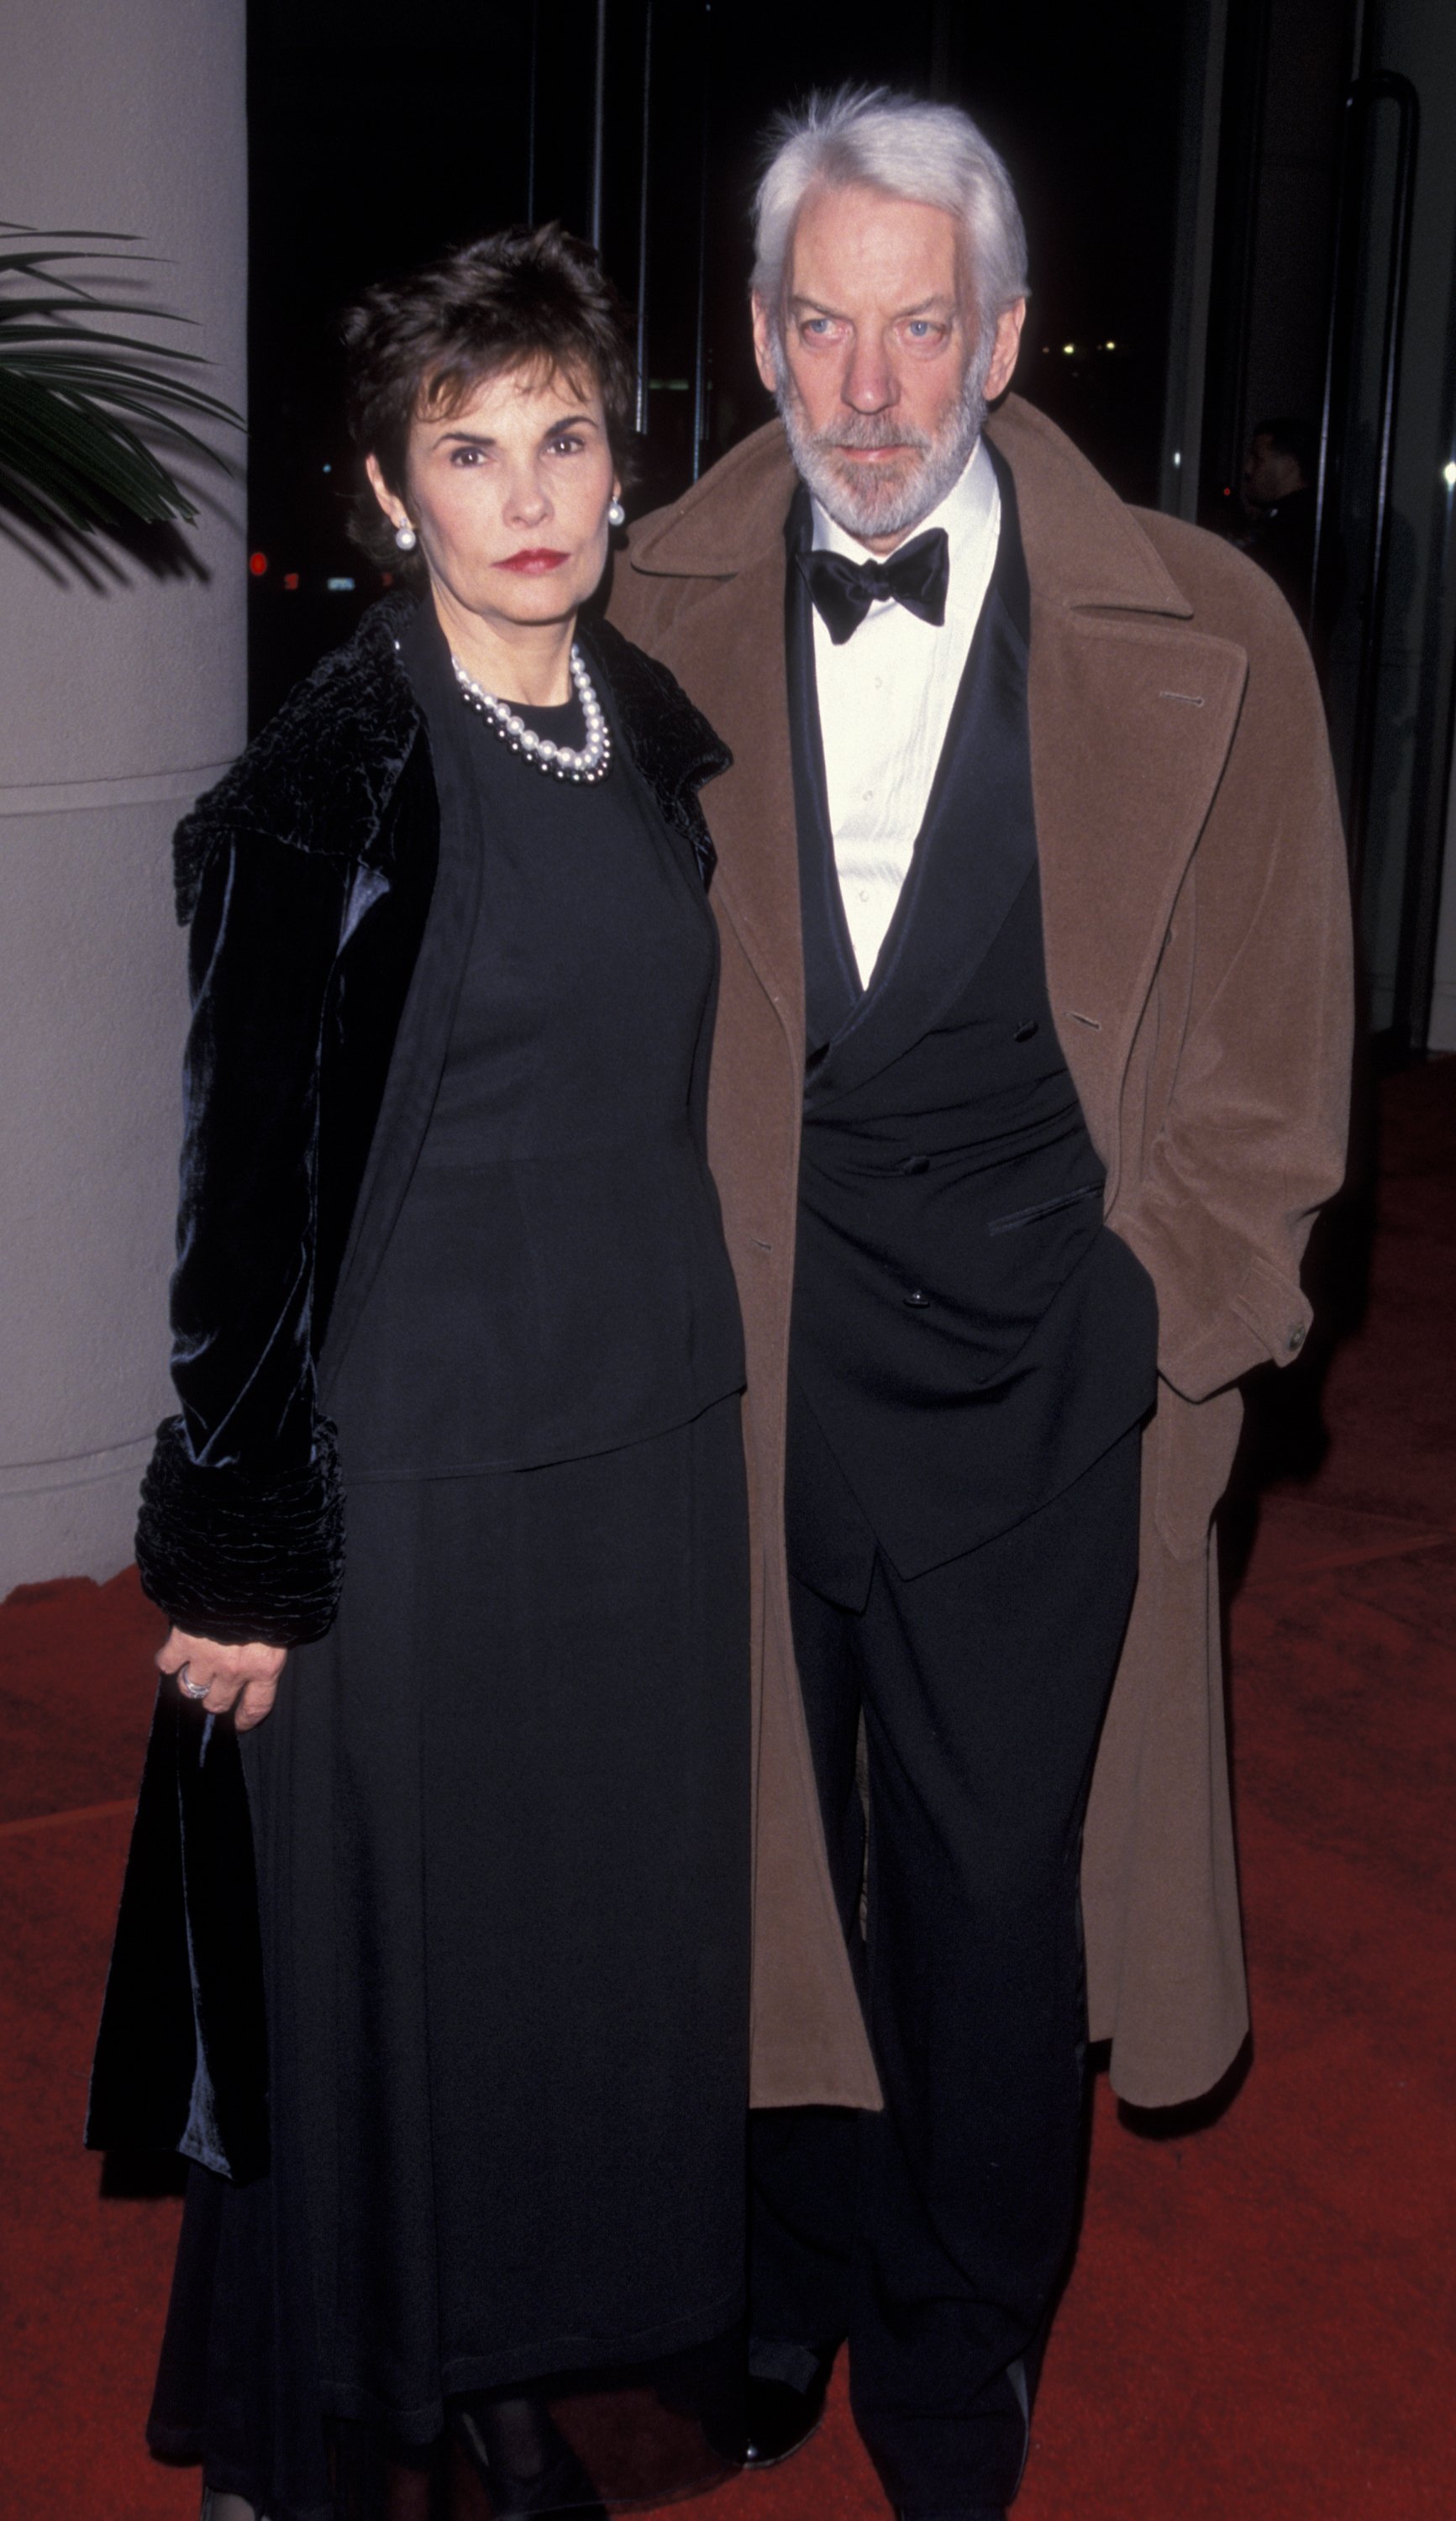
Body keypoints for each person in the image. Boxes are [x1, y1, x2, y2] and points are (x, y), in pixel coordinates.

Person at [610, 89, 1353, 2521]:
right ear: (754, 335)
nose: (862, 389)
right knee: (757, 1857)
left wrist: (1168, 1315)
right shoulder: (627, 620)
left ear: (1003, 334)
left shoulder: (1203, 634)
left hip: (1043, 1367)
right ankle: (775, 2281)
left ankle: (955, 2342)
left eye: (917, 325)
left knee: (980, 1885)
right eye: (815, 325)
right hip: (742, 1356)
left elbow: (1271, 1049)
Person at [87, 224, 755, 2521]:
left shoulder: (642, 740)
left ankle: (498, 2369)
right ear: (388, 497)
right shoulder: (336, 777)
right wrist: (240, 1547)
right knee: (386, 1975)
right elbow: (235, 1198)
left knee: (562, 1964)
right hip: (424, 1489)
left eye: (561, 432)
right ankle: (326, 2421)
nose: (528, 487)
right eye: (467, 450)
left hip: (631, 1464)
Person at [1240, 413, 1320, 615]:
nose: (1248, 468)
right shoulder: (1290, 520)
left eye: (1258, 459)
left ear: (1289, 467)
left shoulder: (1294, 531)